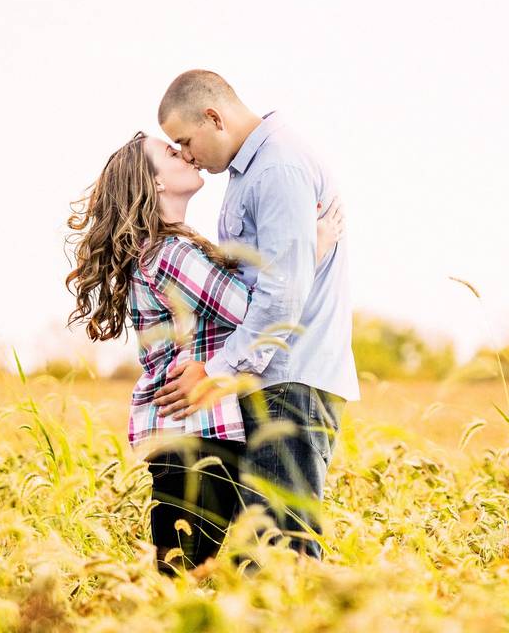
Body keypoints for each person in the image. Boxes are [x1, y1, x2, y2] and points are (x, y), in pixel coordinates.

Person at [65, 131, 343, 575]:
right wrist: (312, 248)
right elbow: (252, 310)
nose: (186, 154)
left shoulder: (165, 249)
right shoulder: (170, 252)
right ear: (154, 182)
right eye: (172, 153)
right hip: (193, 437)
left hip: (188, 434)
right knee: (180, 576)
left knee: (186, 573)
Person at [151, 69, 360, 560]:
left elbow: (280, 298)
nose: (186, 154)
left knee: (276, 552)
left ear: (213, 117)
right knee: (259, 552)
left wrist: (215, 373)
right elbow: (261, 281)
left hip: (291, 381)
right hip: (273, 379)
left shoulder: (277, 168)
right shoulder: (255, 170)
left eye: (185, 139)